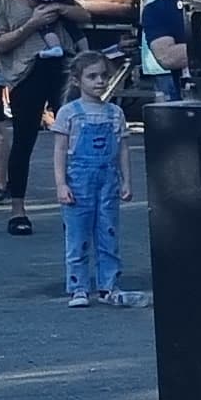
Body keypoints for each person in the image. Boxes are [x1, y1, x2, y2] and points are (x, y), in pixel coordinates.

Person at [0, 0, 79, 236]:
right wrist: (31, 24)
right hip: (26, 70)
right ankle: (17, 209)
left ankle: (76, 205)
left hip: (61, 64)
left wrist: (61, 9)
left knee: (73, 136)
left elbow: (84, 16)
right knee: (24, 139)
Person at [46, 52, 148, 309]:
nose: (100, 81)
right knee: (77, 235)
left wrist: (126, 181)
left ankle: (109, 286)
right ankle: (78, 287)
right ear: (78, 80)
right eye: (92, 76)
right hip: (79, 181)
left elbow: (123, 149)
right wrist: (61, 184)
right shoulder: (69, 113)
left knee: (108, 234)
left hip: (107, 181)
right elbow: (59, 150)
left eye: (104, 75)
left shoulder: (115, 113)